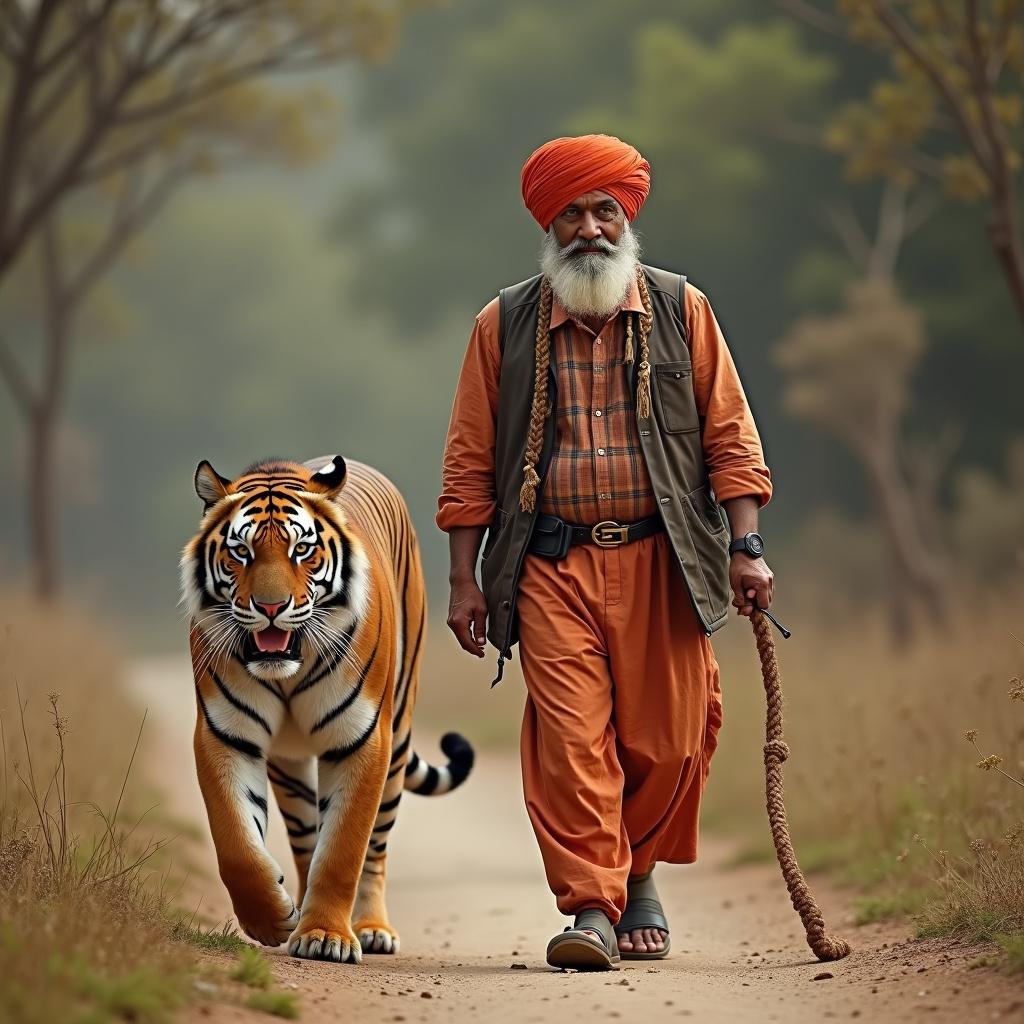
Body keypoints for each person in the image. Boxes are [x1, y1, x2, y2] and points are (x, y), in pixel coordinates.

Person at [437, 134, 773, 970]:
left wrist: (748, 546)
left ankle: (641, 870)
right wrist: (463, 581)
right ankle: (591, 905)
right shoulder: (503, 323)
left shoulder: (680, 308)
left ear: (626, 218)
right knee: (573, 738)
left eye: (603, 210)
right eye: (571, 213)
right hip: (550, 565)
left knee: (668, 741)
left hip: (663, 561)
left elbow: (731, 436)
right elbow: (469, 459)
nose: (588, 228)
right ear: (549, 225)